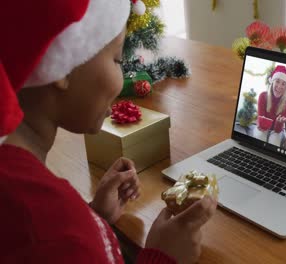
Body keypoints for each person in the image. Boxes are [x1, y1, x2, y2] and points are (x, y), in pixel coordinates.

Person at [0, 1, 216, 263]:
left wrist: (94, 217)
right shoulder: (55, 229)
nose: (123, 76)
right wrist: (162, 256)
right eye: (117, 59)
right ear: (64, 64)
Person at [255, 65, 286, 145]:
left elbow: (277, 130)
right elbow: (261, 123)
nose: (280, 86)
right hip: (262, 128)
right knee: (260, 136)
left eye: (283, 84)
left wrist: (279, 122)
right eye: (277, 81)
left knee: (274, 142)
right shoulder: (263, 96)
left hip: (276, 131)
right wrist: (261, 124)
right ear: (272, 82)